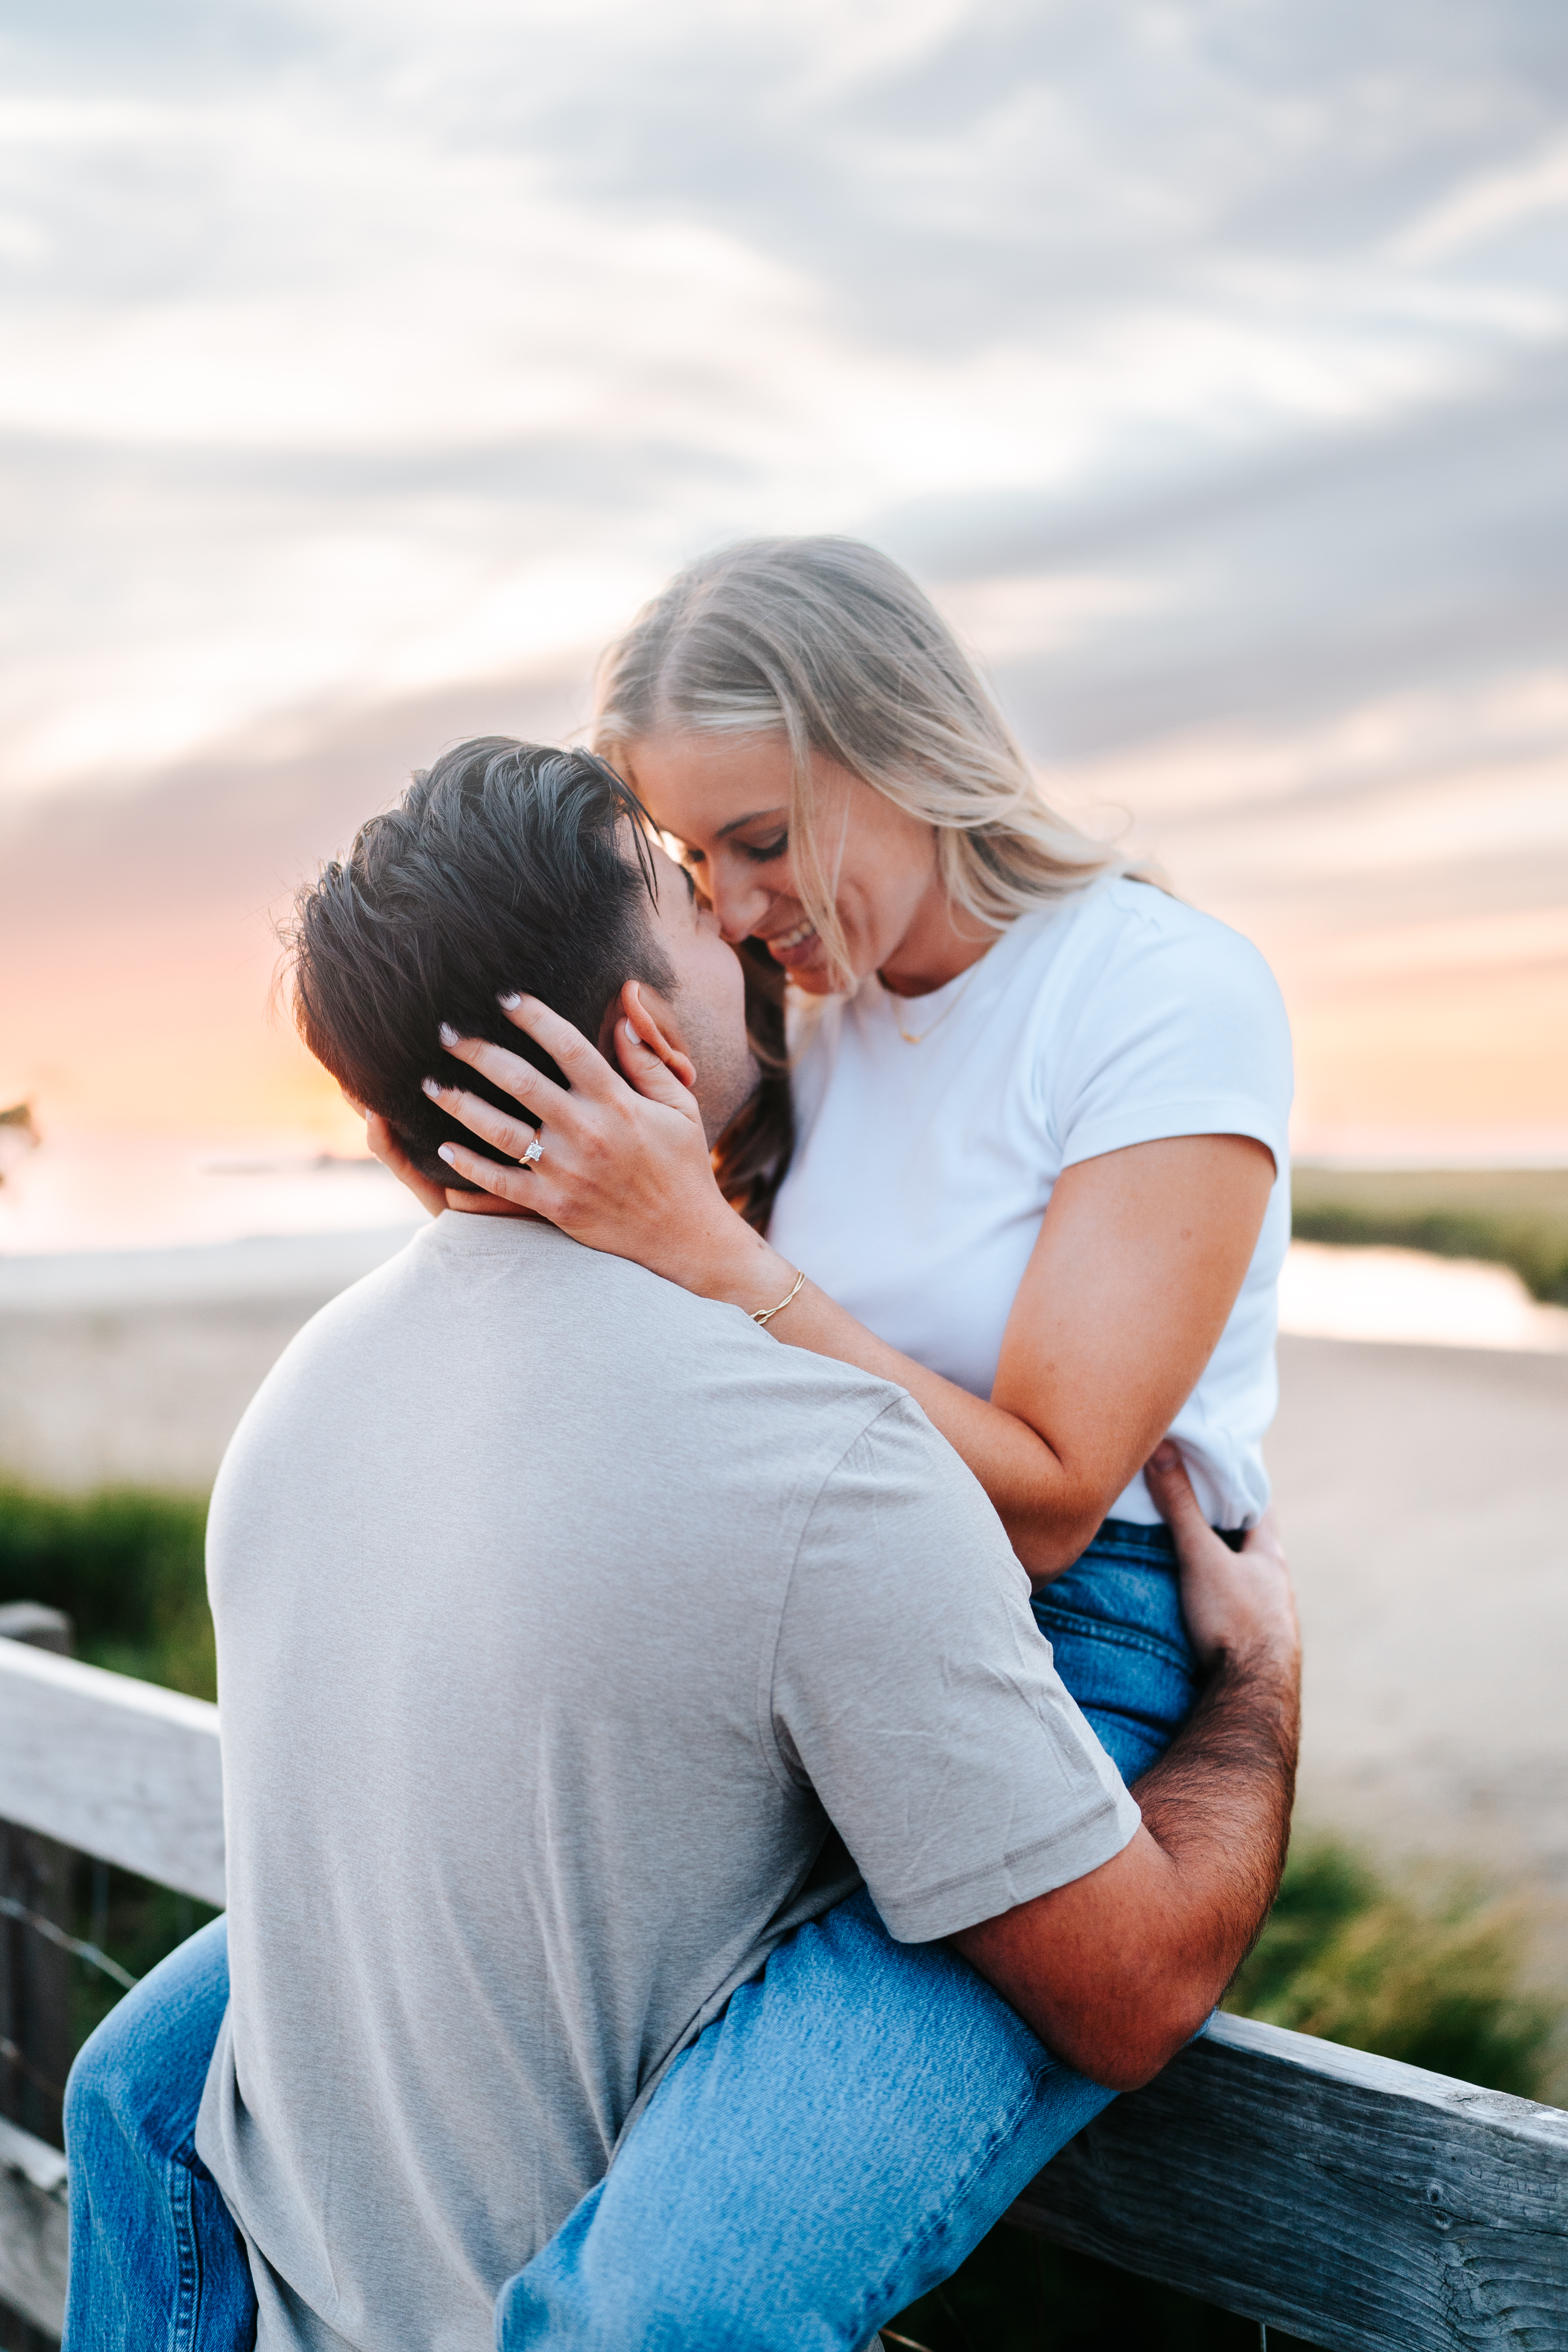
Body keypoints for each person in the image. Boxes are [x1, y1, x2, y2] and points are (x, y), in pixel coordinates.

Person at [64, 738, 1300, 2352]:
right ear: (646, 1034)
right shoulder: (822, 1462)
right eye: (693, 899)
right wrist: (1259, 1676)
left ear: (388, 1137)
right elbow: (1129, 1992)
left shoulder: (292, 1412)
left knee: (129, 2083)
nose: (743, 926)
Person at [421, 535, 1293, 1791]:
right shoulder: (805, 1012)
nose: (726, 910)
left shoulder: (1156, 990)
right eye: (694, 857)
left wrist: (702, 1245)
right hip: (807, 1593)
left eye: (762, 839)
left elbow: (1052, 1506)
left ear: (910, 751)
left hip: (1079, 1628)